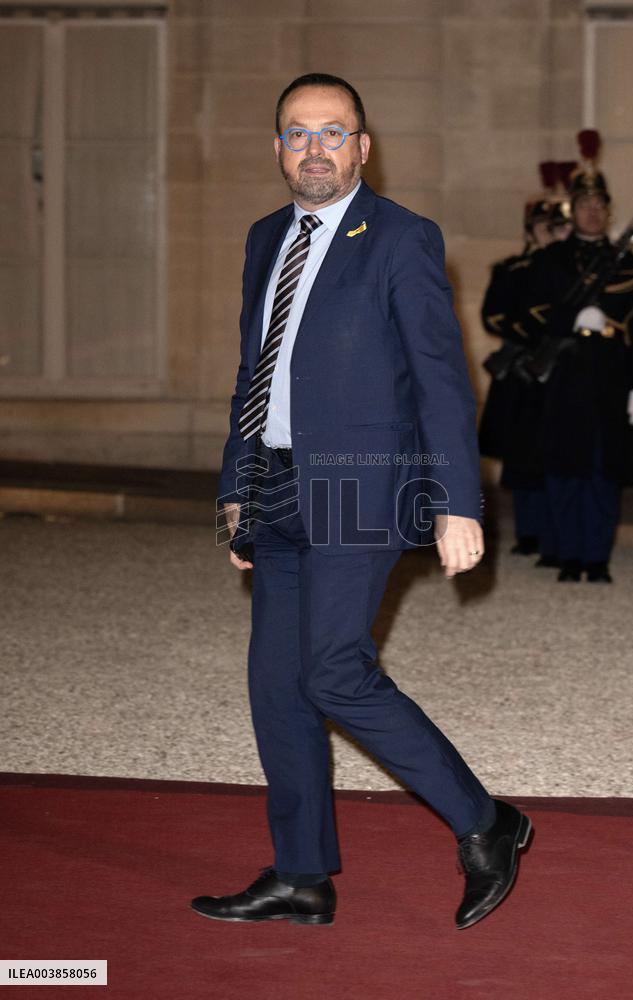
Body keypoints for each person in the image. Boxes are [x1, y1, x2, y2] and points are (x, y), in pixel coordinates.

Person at [191, 73, 531, 931]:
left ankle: (488, 823)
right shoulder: (265, 236)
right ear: (277, 148)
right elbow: (253, 375)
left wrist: (460, 501)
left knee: (333, 671)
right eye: (298, 133)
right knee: (276, 683)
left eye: (333, 132)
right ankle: (302, 875)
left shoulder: (402, 238)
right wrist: (237, 485)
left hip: (362, 481)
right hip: (277, 484)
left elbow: (441, 378)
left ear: (362, 147)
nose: (315, 148)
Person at [518, 138, 633, 582]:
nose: (592, 212)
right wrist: (572, 317)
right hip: (563, 378)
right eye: (584, 204)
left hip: (610, 382)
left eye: (600, 204)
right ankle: (570, 555)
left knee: (602, 473)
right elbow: (532, 312)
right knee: (563, 471)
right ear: (572, 211)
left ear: (609, 212)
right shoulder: (552, 259)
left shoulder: (629, 264)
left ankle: (596, 559)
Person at [478, 184, 562, 561]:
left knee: (554, 454)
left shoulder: (566, 268)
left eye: (555, 224)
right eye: (543, 223)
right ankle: (528, 531)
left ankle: (552, 531)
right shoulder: (511, 269)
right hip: (520, 371)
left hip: (557, 370)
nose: (549, 229)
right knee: (520, 454)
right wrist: (531, 332)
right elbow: (494, 316)